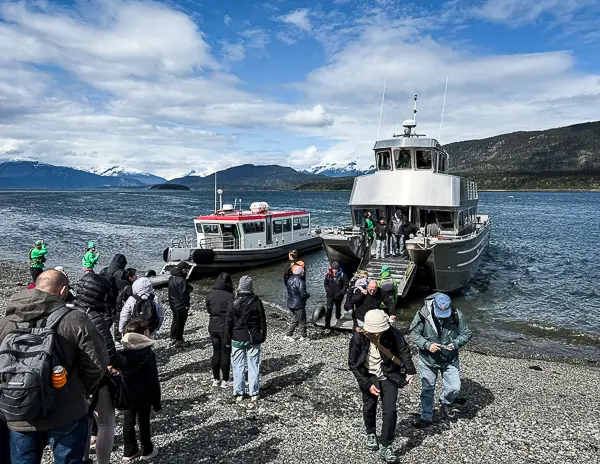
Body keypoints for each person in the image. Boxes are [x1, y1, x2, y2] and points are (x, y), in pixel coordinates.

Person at [0, 270, 108, 464]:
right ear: (63, 291)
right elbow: (97, 365)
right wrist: (78, 390)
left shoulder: (7, 322)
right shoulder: (76, 320)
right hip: (67, 410)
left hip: (19, 410)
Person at [348, 309, 416, 463]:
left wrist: (410, 370)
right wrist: (367, 384)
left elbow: (404, 350)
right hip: (368, 375)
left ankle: (386, 445)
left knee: (390, 410)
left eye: (380, 331)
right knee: (369, 405)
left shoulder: (392, 333)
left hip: (389, 374)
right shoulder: (358, 337)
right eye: (375, 331)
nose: (377, 333)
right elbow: (353, 364)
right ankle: (371, 432)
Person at [75, 273, 127, 464]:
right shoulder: (95, 318)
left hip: (73, 378)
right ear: (99, 295)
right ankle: (103, 462)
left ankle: (83, 458)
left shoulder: (68, 310)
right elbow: (110, 353)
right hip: (95, 378)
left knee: (85, 419)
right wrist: (125, 362)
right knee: (106, 423)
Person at [409, 293, 472, 427]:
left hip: (450, 358)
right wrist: (427, 345)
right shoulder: (422, 314)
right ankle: (426, 416)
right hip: (428, 360)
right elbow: (414, 334)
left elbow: (466, 333)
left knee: (455, 387)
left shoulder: (456, 314)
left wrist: (455, 343)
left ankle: (445, 402)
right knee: (428, 388)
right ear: (434, 306)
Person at [120, 319, 161, 461]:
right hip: (144, 394)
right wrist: (157, 401)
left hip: (127, 392)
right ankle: (147, 449)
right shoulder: (148, 354)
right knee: (144, 422)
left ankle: (129, 451)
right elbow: (153, 380)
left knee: (128, 421)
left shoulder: (122, 354)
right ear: (142, 334)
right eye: (146, 330)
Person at [225, 276, 267, 404]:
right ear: (251, 287)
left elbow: (228, 323)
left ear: (240, 286)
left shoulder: (233, 302)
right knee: (254, 364)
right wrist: (263, 335)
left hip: (237, 337)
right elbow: (262, 321)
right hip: (253, 337)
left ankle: (239, 392)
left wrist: (227, 340)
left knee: (238, 366)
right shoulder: (256, 301)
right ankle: (254, 392)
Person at [206, 272, 234, 387]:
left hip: (213, 326)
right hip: (225, 327)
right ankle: (225, 380)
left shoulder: (210, 295)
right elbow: (233, 312)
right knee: (225, 353)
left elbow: (209, 310)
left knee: (216, 352)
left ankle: (216, 378)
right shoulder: (231, 296)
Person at [168, 262, 193, 348]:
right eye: (187, 269)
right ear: (183, 269)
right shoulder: (182, 280)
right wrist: (186, 305)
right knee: (181, 323)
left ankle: (173, 337)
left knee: (175, 320)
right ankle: (179, 340)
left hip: (172, 303)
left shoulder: (172, 278)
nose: (188, 270)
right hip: (180, 305)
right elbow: (184, 294)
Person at [284, 264, 310, 341]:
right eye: (303, 272)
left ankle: (288, 334)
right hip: (298, 304)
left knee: (296, 319)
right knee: (302, 321)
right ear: (301, 272)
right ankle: (303, 336)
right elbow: (303, 294)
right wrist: (308, 295)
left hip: (291, 303)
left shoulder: (289, 280)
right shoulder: (300, 281)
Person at [100, 253, 128, 321]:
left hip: (103, 297)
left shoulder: (104, 270)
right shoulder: (122, 273)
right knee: (116, 318)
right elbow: (126, 288)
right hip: (115, 299)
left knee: (106, 317)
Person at [323, 261, 349, 333]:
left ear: (338, 269)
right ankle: (327, 325)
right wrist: (327, 290)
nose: (334, 270)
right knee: (329, 309)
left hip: (338, 295)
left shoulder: (343, 275)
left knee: (338, 306)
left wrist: (342, 292)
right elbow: (325, 283)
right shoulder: (328, 275)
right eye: (333, 269)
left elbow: (346, 284)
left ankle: (338, 316)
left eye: (336, 269)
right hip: (330, 295)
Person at [114, 268, 138, 345]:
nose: (136, 276)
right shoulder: (129, 287)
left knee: (117, 322)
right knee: (124, 322)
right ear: (130, 277)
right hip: (122, 307)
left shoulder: (117, 282)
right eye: (134, 275)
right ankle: (123, 338)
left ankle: (117, 339)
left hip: (116, 305)